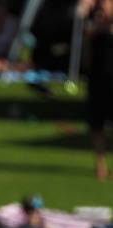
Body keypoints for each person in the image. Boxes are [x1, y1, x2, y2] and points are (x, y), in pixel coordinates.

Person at [80, 0, 113, 180]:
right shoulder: (94, 30)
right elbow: (87, 57)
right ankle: (100, 164)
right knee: (97, 124)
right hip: (98, 80)